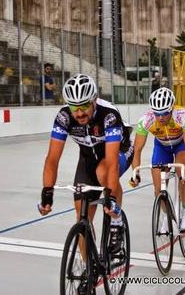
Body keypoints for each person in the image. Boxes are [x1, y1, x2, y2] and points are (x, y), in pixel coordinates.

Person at [38, 73, 134, 256]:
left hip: (119, 152)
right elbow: (52, 159)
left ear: (94, 101)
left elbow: (112, 162)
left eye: (84, 106)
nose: (79, 113)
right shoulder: (64, 117)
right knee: (82, 218)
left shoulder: (109, 116)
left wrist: (111, 199)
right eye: (75, 107)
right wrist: (47, 193)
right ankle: (88, 270)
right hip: (88, 159)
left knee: (103, 172)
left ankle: (116, 221)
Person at [129, 87, 185, 231]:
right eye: (157, 113)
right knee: (158, 187)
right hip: (162, 147)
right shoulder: (146, 119)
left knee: (181, 172)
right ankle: (167, 217)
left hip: (181, 145)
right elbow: (137, 149)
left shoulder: (183, 115)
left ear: (172, 109)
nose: (160, 117)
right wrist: (136, 174)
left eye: (164, 113)